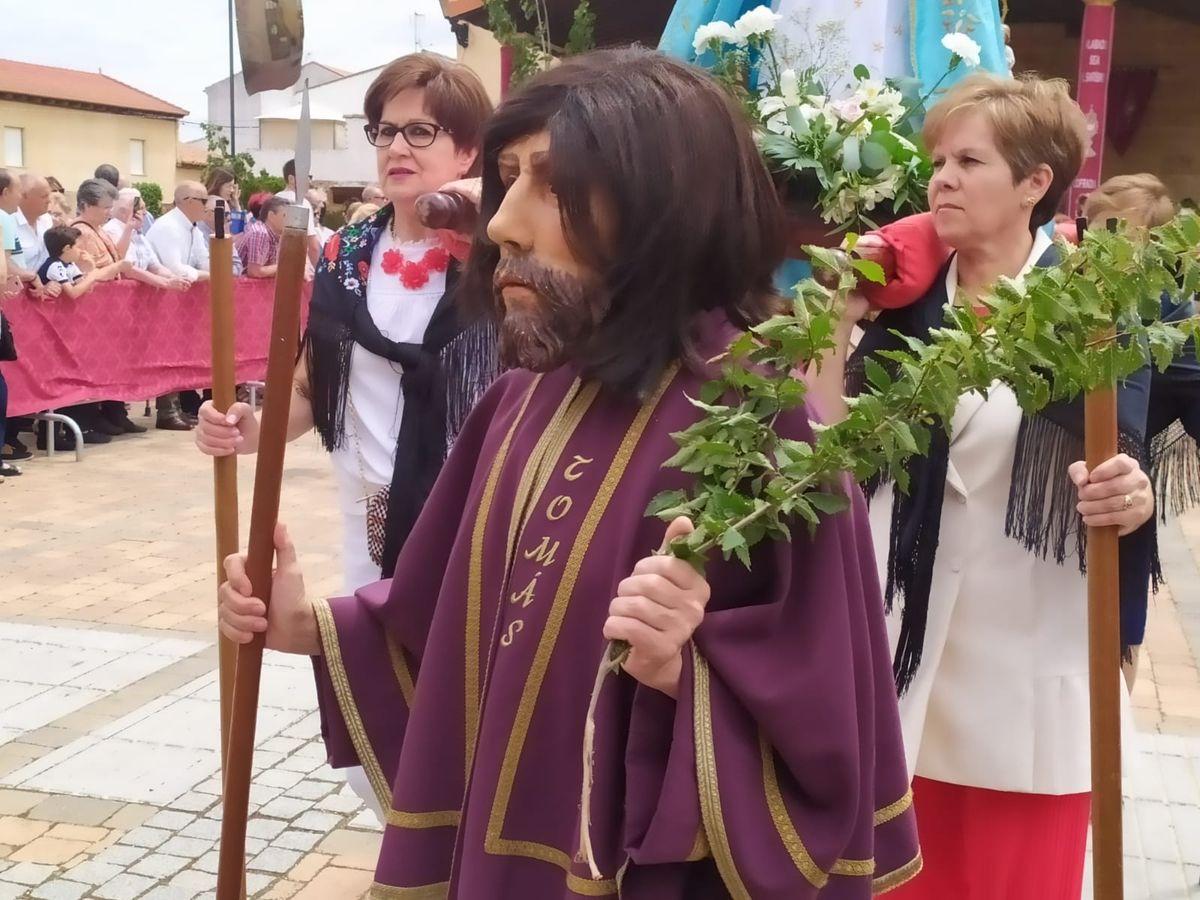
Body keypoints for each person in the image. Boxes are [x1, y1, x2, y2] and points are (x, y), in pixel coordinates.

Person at [216, 48, 922, 898]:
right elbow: (440, 616)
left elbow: (826, 734)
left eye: (550, 184)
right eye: (506, 179)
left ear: (664, 203)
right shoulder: (521, 401)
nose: (504, 224)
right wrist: (311, 628)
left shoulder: (759, 427)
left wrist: (684, 674)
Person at [808, 73, 1156, 899]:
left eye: (969, 160)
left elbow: (1122, 459)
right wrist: (839, 313)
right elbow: (827, 454)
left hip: (1025, 680)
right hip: (896, 661)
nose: (941, 180)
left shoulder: (1096, 306)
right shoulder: (903, 300)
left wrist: (1131, 495)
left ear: (1036, 183)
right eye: (936, 161)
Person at [198, 50, 502, 820]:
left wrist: (485, 219)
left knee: (474, 702)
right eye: (384, 130)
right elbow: (311, 386)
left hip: (476, 515)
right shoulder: (344, 256)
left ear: (469, 149)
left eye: (421, 131)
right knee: (379, 683)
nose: (397, 147)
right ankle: (407, 837)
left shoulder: (504, 258)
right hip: (367, 511)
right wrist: (250, 427)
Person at [1083, 174, 1200, 690]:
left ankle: (1115, 759)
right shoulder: (1044, 288)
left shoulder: (1170, 317)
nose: (1097, 244)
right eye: (1093, 227)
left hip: (1116, 503)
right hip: (1027, 497)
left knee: (1111, 642)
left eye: (1115, 232)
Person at [103, 189, 189, 291]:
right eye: (141, 208)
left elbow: (155, 267)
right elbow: (128, 270)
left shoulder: (137, 233)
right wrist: (166, 283)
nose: (145, 213)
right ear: (123, 212)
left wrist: (174, 277)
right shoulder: (112, 230)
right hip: (122, 295)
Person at [146, 183, 211, 284]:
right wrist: (211, 275)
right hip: (157, 295)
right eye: (205, 201)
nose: (208, 206)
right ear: (190, 202)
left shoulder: (195, 229)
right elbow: (176, 270)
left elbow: (203, 260)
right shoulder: (167, 227)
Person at [275, 159, 321, 264]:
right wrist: (319, 273)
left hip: (272, 265)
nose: (309, 181)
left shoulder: (273, 199)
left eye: (310, 177)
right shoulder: (302, 204)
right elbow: (312, 245)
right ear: (291, 179)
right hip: (294, 266)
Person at [237, 195, 287, 277]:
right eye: (285, 215)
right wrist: (286, 267)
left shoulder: (275, 235)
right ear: (271, 216)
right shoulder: (260, 233)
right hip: (241, 285)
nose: (289, 220)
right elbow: (254, 272)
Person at [15, 174, 54, 276]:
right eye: (44, 196)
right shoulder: (7, 223)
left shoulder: (47, 220)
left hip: (46, 285)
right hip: (15, 288)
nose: (49, 200)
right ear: (24, 196)